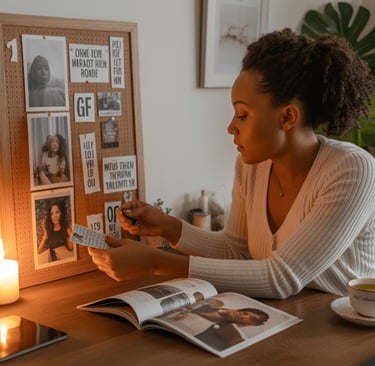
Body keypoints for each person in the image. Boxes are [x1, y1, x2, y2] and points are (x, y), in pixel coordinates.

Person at [88, 28, 375, 299]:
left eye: (242, 115)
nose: (230, 128)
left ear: (287, 117)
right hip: (289, 326)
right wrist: (169, 227)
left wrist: (154, 263)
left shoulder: (352, 169)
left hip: (350, 341)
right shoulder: (251, 166)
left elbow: (282, 278)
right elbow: (235, 251)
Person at [164, 300, 269, 351]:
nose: (244, 317)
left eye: (251, 319)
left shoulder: (229, 334)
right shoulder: (215, 303)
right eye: (246, 313)